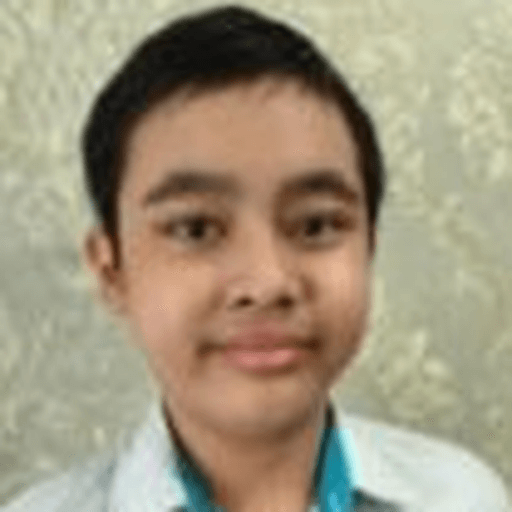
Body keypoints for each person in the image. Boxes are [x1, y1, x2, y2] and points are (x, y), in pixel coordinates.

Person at [2, 5, 509, 512]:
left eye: (316, 225)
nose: (267, 283)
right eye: (196, 229)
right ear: (112, 271)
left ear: (368, 248)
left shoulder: (463, 496)